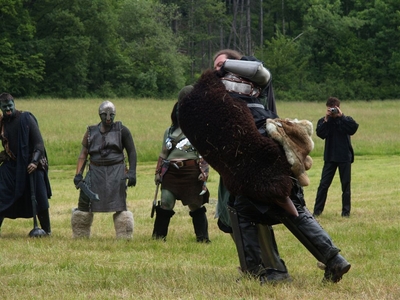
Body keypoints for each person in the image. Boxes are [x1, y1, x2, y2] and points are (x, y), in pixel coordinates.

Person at [179, 49, 351, 284]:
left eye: (224, 69)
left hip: (260, 162)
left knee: (242, 211)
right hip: (272, 159)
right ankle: (334, 260)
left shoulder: (243, 98)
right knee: (294, 209)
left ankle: (261, 272)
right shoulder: (249, 102)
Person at [71, 101, 137, 239]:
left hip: (117, 171)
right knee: (84, 201)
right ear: (99, 115)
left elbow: (132, 152)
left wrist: (132, 172)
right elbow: (83, 153)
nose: (108, 118)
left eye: (111, 115)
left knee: (120, 203)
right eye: (105, 115)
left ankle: (124, 235)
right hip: (95, 170)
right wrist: (78, 174)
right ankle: (80, 234)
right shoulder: (90, 132)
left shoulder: (122, 130)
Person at [152, 88, 210, 243]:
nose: (180, 113)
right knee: (165, 202)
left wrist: (204, 172)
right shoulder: (169, 131)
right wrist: (158, 172)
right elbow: (163, 154)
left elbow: (204, 153)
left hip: (191, 171)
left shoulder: (198, 130)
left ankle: (203, 238)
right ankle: (158, 237)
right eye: (178, 110)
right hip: (170, 173)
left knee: (195, 204)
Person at [0, 93, 52, 236]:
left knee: (39, 196)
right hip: (13, 165)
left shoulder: (26, 118)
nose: (8, 109)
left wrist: (35, 162)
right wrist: (3, 154)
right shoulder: (2, 123)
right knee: (1, 192)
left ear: (14, 104)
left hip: (31, 163)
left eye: (10, 105)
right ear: (1, 108)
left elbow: (39, 143)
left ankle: (46, 230)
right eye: (5, 107)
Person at [313, 97, 359, 218]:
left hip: (344, 157)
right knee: (323, 185)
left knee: (346, 185)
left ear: (338, 108)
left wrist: (341, 116)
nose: (332, 111)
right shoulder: (324, 121)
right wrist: (326, 118)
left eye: (334, 109)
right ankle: (317, 211)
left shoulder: (346, 120)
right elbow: (320, 133)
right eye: (330, 109)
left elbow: (353, 128)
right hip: (330, 157)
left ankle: (346, 212)